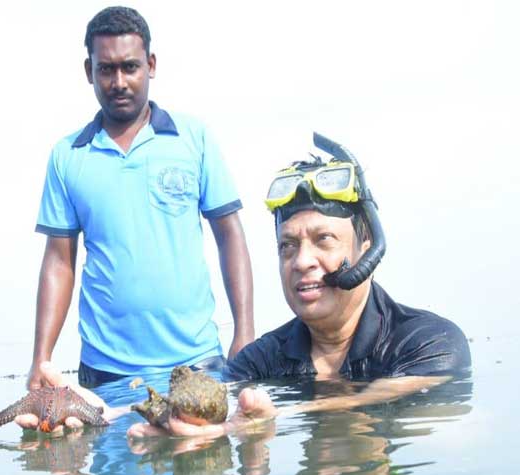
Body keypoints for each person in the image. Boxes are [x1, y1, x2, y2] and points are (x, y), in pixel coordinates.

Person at [126, 132, 472, 438]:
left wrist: (282, 416)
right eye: (287, 246)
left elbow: (400, 392)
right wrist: (123, 415)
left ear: (366, 246)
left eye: (324, 239)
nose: (301, 261)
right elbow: (215, 391)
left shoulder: (428, 343)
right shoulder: (265, 359)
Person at [29, 6, 254, 391]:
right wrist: (41, 359)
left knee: (206, 453)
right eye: (106, 69)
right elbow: (59, 261)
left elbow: (230, 235)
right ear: (89, 72)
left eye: (130, 67)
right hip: (106, 373)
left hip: (199, 364)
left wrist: (245, 333)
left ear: (150, 65)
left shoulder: (193, 138)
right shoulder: (68, 155)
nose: (119, 81)